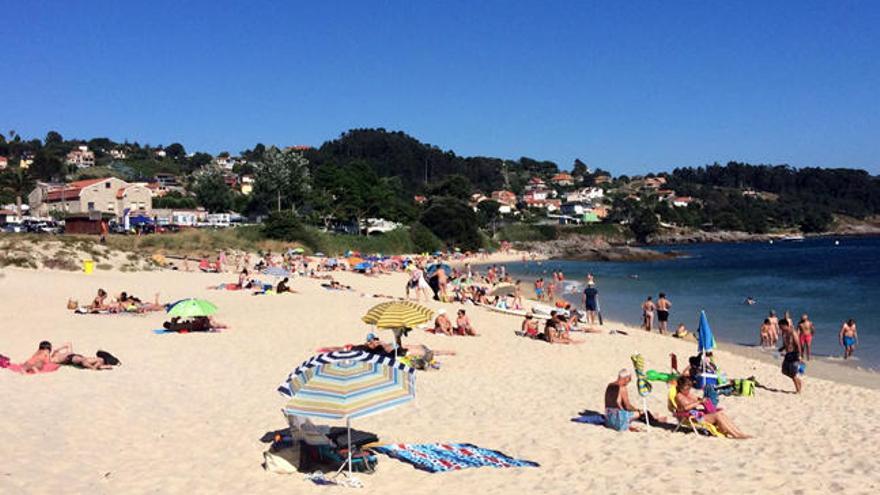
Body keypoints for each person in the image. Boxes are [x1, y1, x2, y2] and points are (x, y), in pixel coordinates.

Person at [674, 376, 750, 439]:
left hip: (697, 415)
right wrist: (699, 402)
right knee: (717, 415)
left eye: (688, 388)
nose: (687, 391)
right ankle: (735, 435)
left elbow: (697, 399)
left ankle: (739, 432)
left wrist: (703, 400)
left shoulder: (688, 394)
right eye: (685, 389)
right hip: (693, 417)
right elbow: (686, 408)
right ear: (680, 387)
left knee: (720, 413)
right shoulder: (679, 396)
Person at [778, 319, 804, 393]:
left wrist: (800, 355)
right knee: (784, 371)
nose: (780, 328)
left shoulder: (793, 332)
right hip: (788, 354)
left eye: (780, 327)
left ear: (784, 325)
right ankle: (798, 380)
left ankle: (798, 390)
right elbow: (787, 343)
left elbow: (798, 344)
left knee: (792, 374)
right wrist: (782, 348)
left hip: (794, 354)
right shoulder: (784, 333)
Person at [50, 343, 116, 370]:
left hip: (78, 356)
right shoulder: (54, 359)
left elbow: (68, 343)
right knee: (81, 360)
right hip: (71, 359)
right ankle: (93, 367)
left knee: (101, 359)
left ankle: (100, 366)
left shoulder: (58, 352)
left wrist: (57, 349)